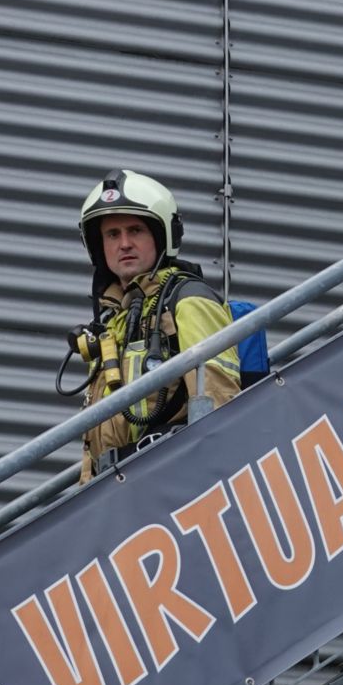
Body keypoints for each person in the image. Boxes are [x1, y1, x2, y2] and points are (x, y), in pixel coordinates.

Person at [65, 170, 256, 485]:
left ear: (162, 234)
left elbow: (220, 406)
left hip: (174, 483)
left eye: (135, 230)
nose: (124, 244)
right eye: (112, 234)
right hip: (118, 490)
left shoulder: (188, 301)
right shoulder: (112, 324)